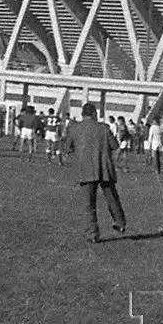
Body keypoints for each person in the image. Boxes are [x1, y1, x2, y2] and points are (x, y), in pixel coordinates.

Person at [63, 102, 126, 244]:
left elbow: (67, 148)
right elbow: (115, 145)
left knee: (89, 204)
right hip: (104, 168)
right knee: (112, 197)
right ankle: (119, 222)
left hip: (85, 170)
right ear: (94, 114)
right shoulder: (104, 128)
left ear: (82, 114)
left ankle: (92, 234)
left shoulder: (74, 129)